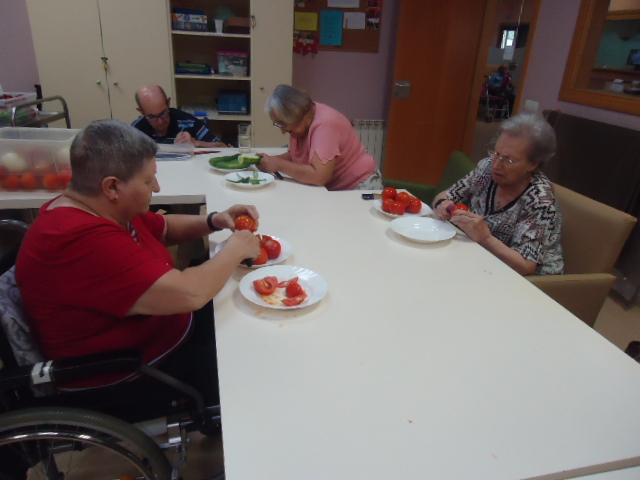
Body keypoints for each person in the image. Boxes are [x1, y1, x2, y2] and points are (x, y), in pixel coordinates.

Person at [15, 120, 261, 392]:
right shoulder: (79, 240)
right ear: (112, 187)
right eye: (147, 180)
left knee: (247, 321)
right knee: (249, 367)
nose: (157, 187)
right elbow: (191, 293)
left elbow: (164, 228)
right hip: (131, 372)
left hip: (164, 329)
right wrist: (236, 248)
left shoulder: (99, 206)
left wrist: (214, 220)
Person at [431, 113, 563, 276]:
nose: (496, 165)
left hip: (530, 282)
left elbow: (526, 266)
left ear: (533, 164)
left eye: (509, 160)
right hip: (482, 261)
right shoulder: (486, 169)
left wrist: (485, 238)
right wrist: (441, 205)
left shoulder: (540, 201)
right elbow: (445, 195)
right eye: (496, 153)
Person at [257, 84, 384, 191]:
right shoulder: (301, 122)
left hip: (359, 187)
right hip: (335, 189)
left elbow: (319, 177)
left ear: (295, 114)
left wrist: (279, 165)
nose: (283, 131)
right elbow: (296, 155)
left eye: (282, 124)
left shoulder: (325, 125)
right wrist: (270, 161)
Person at [132, 85, 227, 147]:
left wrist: (196, 143)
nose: (160, 121)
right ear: (141, 111)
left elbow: (223, 147)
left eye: (163, 113)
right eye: (152, 117)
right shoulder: (136, 130)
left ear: (169, 103)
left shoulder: (188, 122)